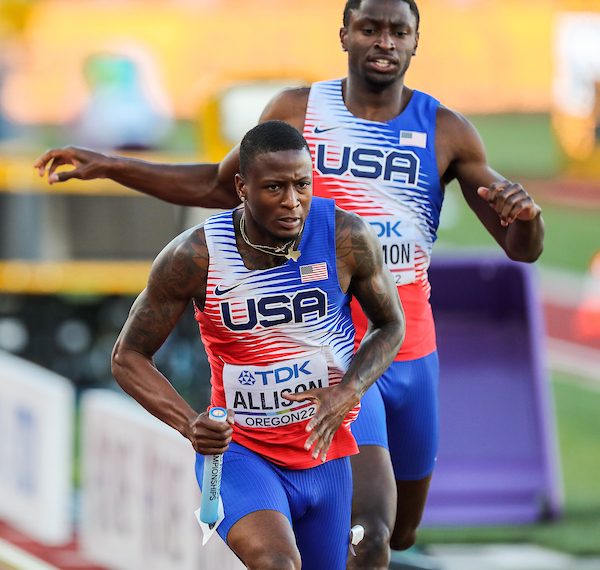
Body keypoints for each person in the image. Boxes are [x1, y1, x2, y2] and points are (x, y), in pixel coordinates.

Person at [35, 1, 545, 567]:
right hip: (338, 346)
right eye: (369, 27)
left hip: (406, 339)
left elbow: (521, 249)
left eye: (398, 31)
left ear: (417, 41)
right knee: (365, 534)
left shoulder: (445, 130)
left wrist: (528, 219)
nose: (383, 42)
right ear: (344, 33)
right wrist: (111, 165)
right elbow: (216, 184)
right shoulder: (296, 111)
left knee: (399, 532)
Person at [110, 120, 405, 569]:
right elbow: (127, 357)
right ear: (242, 187)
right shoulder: (195, 256)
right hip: (242, 453)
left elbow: (390, 326)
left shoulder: (346, 238)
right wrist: (190, 424)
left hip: (322, 452)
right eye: (274, 188)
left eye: (302, 185)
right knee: (277, 563)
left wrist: (350, 389)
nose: (292, 203)